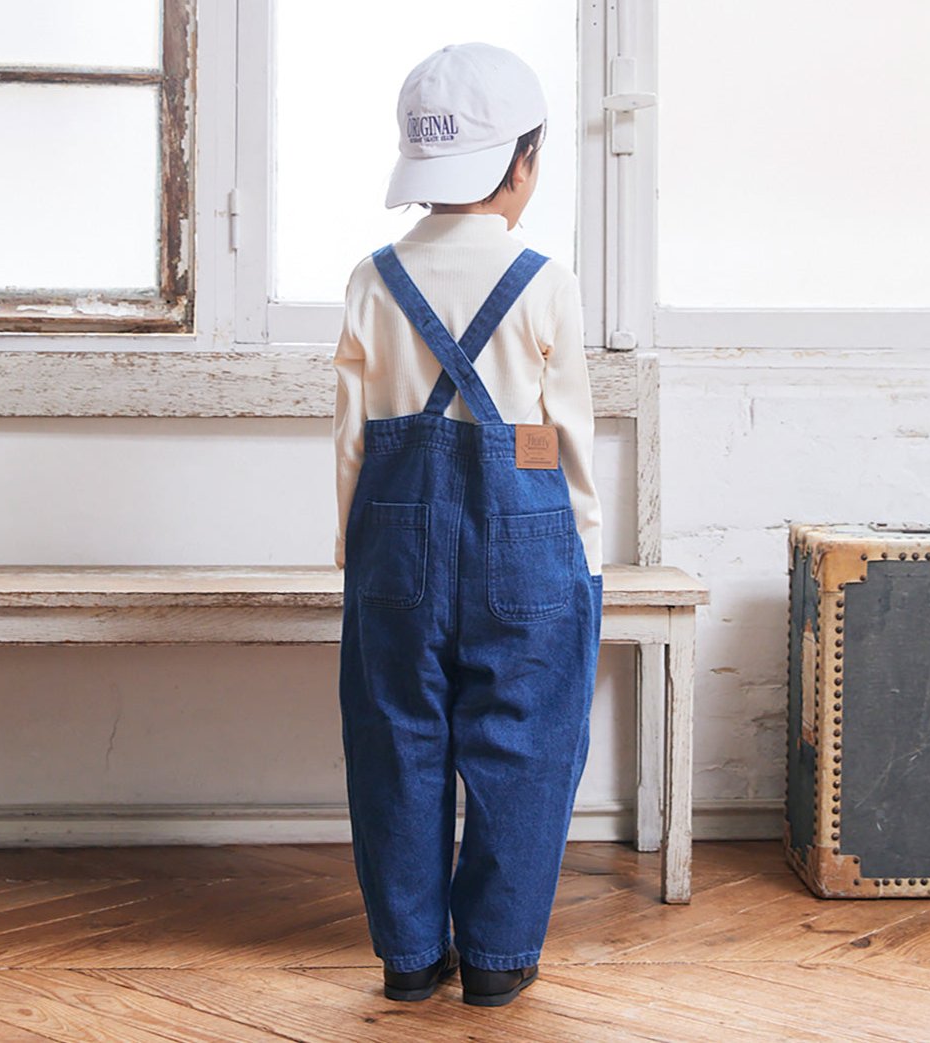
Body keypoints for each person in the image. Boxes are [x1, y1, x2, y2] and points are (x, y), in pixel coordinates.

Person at [332, 41, 604, 1007]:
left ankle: (409, 956)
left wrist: (354, 554)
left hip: (392, 547)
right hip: (526, 545)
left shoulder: (373, 279)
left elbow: (352, 439)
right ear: (521, 160)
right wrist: (583, 559)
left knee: (394, 736)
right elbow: (564, 437)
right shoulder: (544, 278)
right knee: (524, 740)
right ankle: (495, 958)